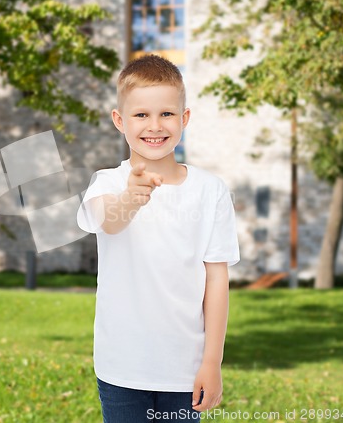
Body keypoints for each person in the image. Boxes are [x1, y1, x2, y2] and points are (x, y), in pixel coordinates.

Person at [77, 54, 240, 423]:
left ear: (184, 118)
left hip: (184, 368)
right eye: (141, 115)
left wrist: (212, 361)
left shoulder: (210, 191)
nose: (155, 125)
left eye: (167, 114)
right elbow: (109, 221)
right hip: (120, 365)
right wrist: (131, 197)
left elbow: (216, 279)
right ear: (120, 120)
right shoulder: (109, 183)